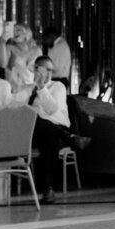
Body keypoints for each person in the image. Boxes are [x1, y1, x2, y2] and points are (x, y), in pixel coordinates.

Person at [23, 55, 70, 204]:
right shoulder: (27, 89)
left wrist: (41, 87)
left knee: (49, 136)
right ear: (36, 69)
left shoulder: (57, 87)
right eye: (44, 69)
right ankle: (71, 137)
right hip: (33, 130)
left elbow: (51, 110)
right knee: (33, 118)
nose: (48, 73)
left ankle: (48, 188)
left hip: (55, 127)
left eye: (50, 70)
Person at [0, 22, 42, 94]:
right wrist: (2, 42)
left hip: (31, 90)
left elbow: (40, 71)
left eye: (18, 30)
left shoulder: (37, 50)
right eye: (13, 30)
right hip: (14, 90)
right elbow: (2, 64)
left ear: (27, 33)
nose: (15, 32)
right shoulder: (10, 48)